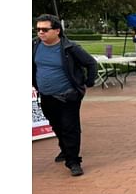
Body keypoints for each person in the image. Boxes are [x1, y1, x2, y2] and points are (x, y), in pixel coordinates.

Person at [32, 14, 98, 176]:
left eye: (45, 29)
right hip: (46, 95)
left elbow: (91, 63)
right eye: (38, 29)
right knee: (56, 125)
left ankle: (73, 161)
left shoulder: (69, 48)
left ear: (57, 31)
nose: (40, 32)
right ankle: (65, 149)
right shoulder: (34, 46)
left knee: (70, 127)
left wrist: (87, 82)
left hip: (68, 96)